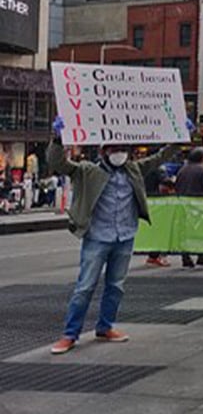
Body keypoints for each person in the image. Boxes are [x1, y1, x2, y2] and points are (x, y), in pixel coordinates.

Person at [47, 116, 185, 355]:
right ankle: (70, 334)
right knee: (85, 287)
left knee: (116, 286)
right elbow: (59, 164)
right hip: (98, 237)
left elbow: (160, 158)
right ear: (103, 150)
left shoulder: (134, 169)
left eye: (123, 148)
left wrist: (179, 138)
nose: (119, 152)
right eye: (114, 148)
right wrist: (58, 139)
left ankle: (105, 326)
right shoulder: (87, 171)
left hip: (125, 236)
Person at [174, 148, 203, 268]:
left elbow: (177, 187)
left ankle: (186, 257)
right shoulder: (202, 171)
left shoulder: (182, 170)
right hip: (199, 206)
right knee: (202, 232)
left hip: (183, 205)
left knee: (185, 232)